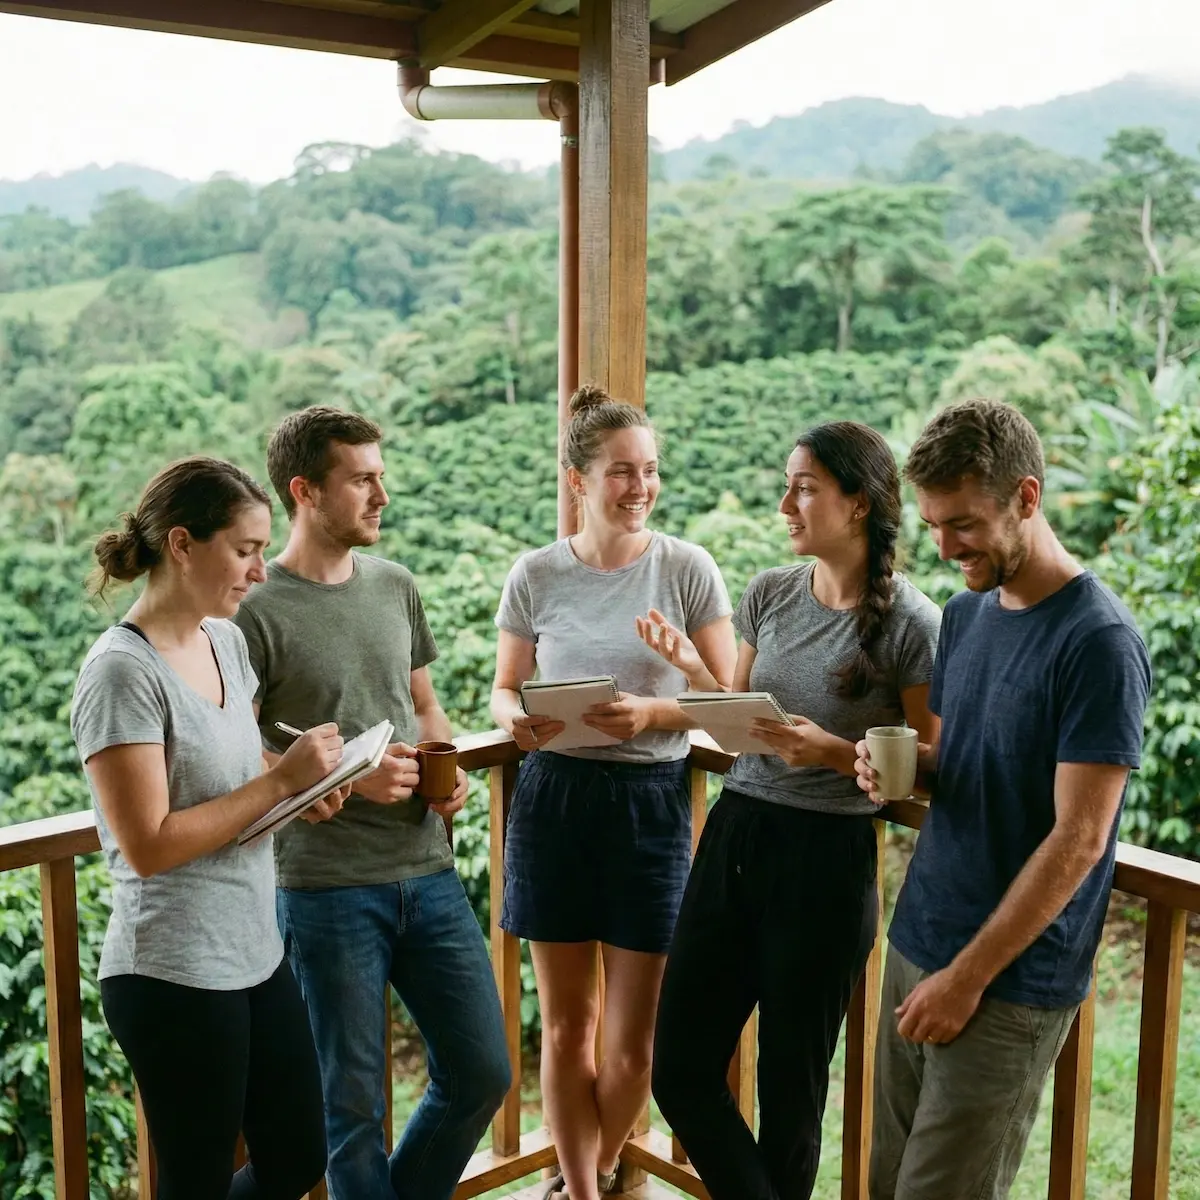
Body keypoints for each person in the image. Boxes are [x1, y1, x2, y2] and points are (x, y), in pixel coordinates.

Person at [855, 399, 1152, 1200]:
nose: (947, 548)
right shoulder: (966, 614)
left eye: (964, 524)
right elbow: (957, 756)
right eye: (934, 525)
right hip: (919, 937)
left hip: (1004, 983)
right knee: (882, 1184)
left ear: (1026, 496)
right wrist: (896, 764)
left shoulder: (1099, 643)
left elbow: (1079, 840)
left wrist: (966, 978)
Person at [647, 421, 942, 1200]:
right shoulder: (770, 591)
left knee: (791, 1105)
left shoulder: (914, 623)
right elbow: (736, 716)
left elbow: (926, 768)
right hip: (737, 837)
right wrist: (689, 675)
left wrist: (833, 754)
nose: (786, 503)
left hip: (828, 863)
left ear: (857, 503)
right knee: (676, 1071)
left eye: (804, 487)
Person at [232, 406, 510, 1200]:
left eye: (380, 476)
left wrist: (442, 770)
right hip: (323, 891)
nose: (382, 494)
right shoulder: (254, 609)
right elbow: (237, 751)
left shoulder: (396, 586)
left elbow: (424, 708)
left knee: (482, 1072)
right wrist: (344, 780)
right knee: (349, 1111)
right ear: (305, 491)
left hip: (426, 872)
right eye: (362, 479)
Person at [71, 456, 344, 1200]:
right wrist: (278, 782)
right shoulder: (121, 674)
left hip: (255, 948)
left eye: (262, 550)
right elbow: (149, 845)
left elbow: (239, 762)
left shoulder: (224, 640)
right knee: (193, 1180)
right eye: (246, 549)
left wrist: (300, 791)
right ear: (182, 544)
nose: (259, 571)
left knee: (297, 1155)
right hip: (172, 971)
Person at [490, 385, 737, 1200]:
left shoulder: (687, 568)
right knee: (565, 1028)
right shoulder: (535, 574)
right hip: (554, 800)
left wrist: (655, 711)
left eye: (651, 471)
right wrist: (515, 722)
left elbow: (727, 704)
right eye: (620, 472)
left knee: (636, 1045)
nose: (639, 488)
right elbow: (503, 689)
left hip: (652, 804)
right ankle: (585, 1189)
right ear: (577, 480)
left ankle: (589, 1168)